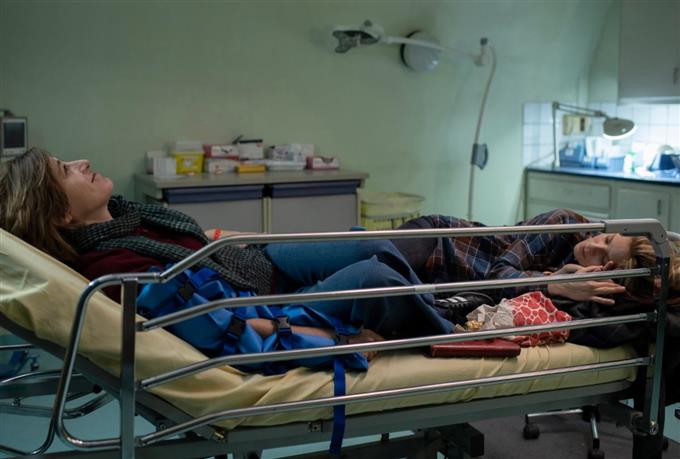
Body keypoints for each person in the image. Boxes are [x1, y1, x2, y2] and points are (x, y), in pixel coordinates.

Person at [0, 148, 454, 361]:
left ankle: (443, 292)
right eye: (65, 170)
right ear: (61, 214)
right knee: (377, 276)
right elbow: (223, 326)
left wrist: (267, 240)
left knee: (371, 243)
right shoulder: (117, 270)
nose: (81, 161)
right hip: (267, 305)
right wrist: (339, 342)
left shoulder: (128, 216)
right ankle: (458, 332)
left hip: (257, 264)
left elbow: (203, 239)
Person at [393, 212, 680, 309]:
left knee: (381, 293)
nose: (592, 245)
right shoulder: (563, 224)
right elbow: (497, 277)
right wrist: (556, 284)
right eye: (606, 239)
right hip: (440, 243)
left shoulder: (594, 286)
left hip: (442, 286)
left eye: (602, 256)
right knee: (373, 265)